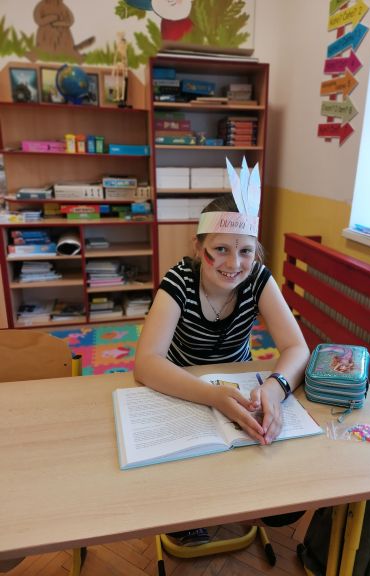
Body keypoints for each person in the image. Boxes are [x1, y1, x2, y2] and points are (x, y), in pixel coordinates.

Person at [133, 157, 310, 546]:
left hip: (237, 387)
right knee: (185, 484)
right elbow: (146, 363)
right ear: (199, 248)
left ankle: (242, 499)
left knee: (280, 496)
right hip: (181, 388)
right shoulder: (179, 281)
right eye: (221, 249)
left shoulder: (257, 278)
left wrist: (275, 388)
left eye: (245, 251)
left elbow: (297, 346)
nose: (234, 264)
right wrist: (212, 396)